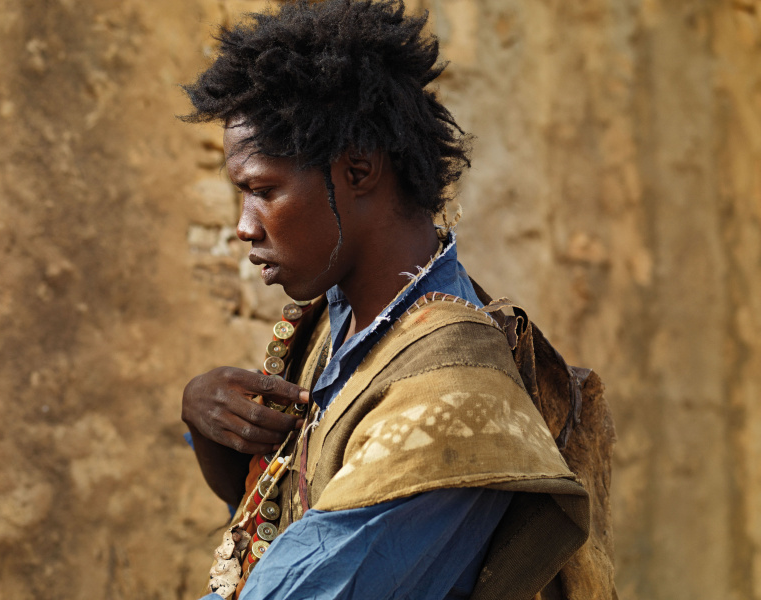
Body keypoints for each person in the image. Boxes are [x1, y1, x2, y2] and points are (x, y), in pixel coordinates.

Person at [180, 1, 589, 599]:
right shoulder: (338, 324)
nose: (244, 226)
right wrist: (204, 418)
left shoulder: (448, 393)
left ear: (359, 170)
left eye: (263, 189)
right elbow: (278, 514)